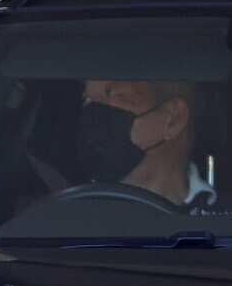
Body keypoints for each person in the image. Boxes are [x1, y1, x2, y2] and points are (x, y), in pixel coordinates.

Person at [78, 80, 219, 212]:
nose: (93, 112)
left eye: (115, 94)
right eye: (87, 100)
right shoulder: (70, 220)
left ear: (173, 118)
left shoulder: (228, 224)